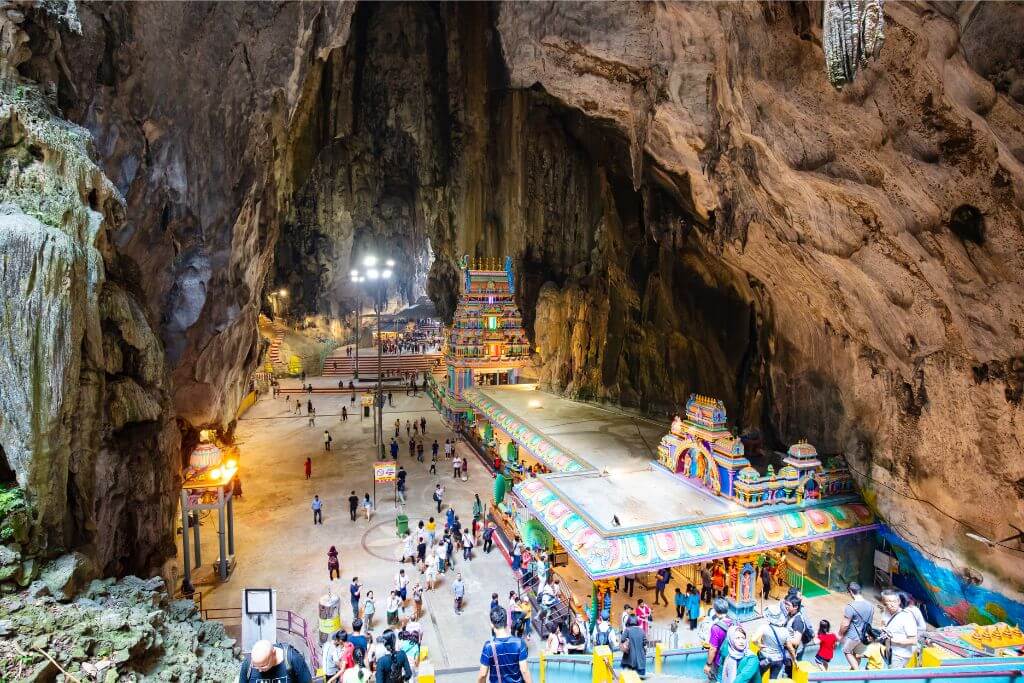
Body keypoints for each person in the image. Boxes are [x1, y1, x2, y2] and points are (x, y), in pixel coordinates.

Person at [476, 606, 531, 683]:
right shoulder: (519, 643)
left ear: (492, 624)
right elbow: (524, 671)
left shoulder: (488, 646)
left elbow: (482, 675)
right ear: (506, 622)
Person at [837, 582, 875, 670]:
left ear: (850, 591)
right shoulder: (871, 606)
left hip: (854, 636)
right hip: (865, 636)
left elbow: (845, 624)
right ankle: (853, 672)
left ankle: (857, 673)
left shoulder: (851, 606)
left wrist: (840, 634)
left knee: (847, 651)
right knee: (856, 656)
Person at [239, 639, 312, 683]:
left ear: (274, 653)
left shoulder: (293, 659)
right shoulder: (247, 665)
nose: (259, 670)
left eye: (263, 666)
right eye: (255, 666)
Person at [880, 588, 918, 669]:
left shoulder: (906, 616)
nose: (892, 604)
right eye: (889, 601)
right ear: (884, 602)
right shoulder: (885, 612)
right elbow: (884, 625)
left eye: (894, 601)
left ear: (899, 601)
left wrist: (892, 640)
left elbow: (913, 641)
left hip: (900, 656)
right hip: (889, 652)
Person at [753, 604, 791, 680]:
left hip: (765, 656)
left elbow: (753, 639)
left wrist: (759, 645)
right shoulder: (785, 631)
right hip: (778, 659)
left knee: (759, 675)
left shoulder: (764, 627)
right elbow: (790, 647)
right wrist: (793, 658)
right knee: (773, 679)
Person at [703, 598, 733, 681]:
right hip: (732, 658)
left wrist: (708, 664)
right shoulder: (735, 622)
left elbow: (713, 649)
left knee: (718, 678)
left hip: (720, 660)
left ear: (715, 611)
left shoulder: (716, 628)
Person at [783, 596, 813, 674]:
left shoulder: (798, 621)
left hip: (793, 653)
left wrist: (782, 639)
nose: (786, 606)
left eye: (788, 605)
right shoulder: (790, 614)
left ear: (795, 607)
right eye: (786, 604)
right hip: (788, 652)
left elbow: (796, 641)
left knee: (790, 674)